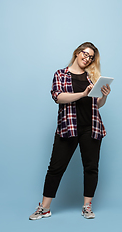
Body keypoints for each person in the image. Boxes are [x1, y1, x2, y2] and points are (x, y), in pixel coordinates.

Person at [29, 42, 111, 220]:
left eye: (91, 57)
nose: (87, 58)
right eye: (85, 53)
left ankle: (87, 207)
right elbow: (58, 97)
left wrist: (104, 95)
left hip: (91, 127)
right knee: (55, 168)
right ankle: (45, 208)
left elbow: (96, 105)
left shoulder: (91, 77)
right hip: (68, 127)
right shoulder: (61, 74)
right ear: (77, 52)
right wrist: (83, 93)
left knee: (91, 168)